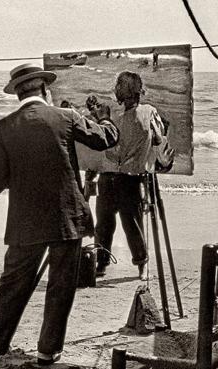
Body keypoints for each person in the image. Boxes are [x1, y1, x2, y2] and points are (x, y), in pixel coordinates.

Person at [0, 63, 119, 367]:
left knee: (13, 285)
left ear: (18, 94)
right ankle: (47, 351)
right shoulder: (67, 117)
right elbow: (106, 139)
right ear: (45, 88)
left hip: (24, 222)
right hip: (66, 218)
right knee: (60, 286)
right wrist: (105, 118)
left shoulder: (2, 128)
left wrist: (13, 171)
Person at [89, 70, 174, 280]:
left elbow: (158, 139)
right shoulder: (115, 116)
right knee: (106, 224)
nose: (120, 92)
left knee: (130, 224)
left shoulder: (142, 112)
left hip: (129, 177)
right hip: (111, 176)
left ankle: (138, 263)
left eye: (123, 88)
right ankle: (103, 262)